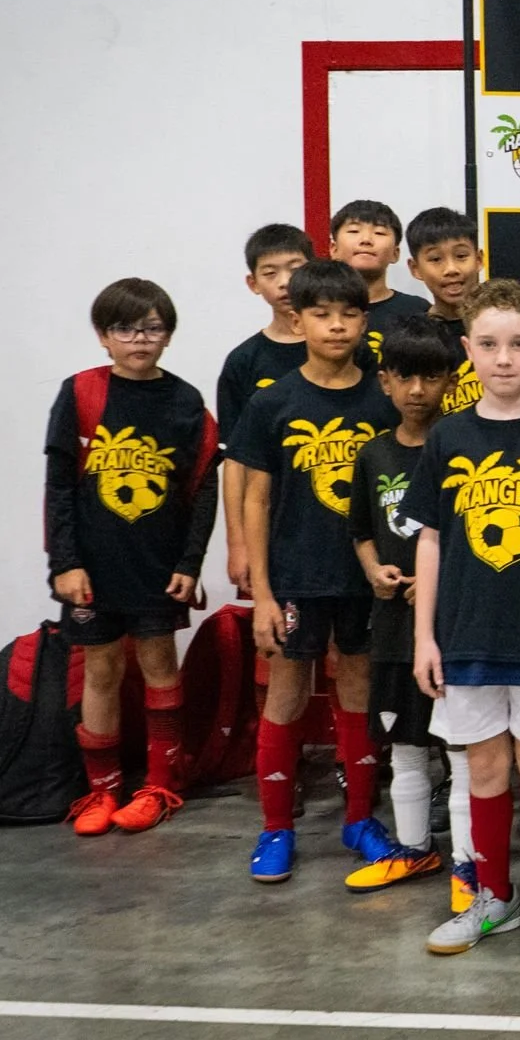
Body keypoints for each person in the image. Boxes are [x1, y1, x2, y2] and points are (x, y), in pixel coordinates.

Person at [400, 280, 520, 960]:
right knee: (481, 766)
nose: (504, 358)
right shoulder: (448, 435)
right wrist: (425, 635)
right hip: (465, 634)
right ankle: (494, 895)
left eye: (518, 344)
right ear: (467, 351)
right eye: (488, 344)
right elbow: (429, 539)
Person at [230, 260, 401, 884]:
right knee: (286, 693)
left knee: (357, 693)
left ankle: (359, 818)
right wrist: (264, 592)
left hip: (365, 576)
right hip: (296, 578)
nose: (337, 326)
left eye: (350, 313)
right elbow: (254, 498)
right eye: (322, 314)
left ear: (365, 319)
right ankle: (276, 827)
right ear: (296, 319)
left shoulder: (383, 399)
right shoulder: (272, 402)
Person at [50, 278, 217, 836]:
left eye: (152, 328)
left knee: (158, 667)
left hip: (158, 565)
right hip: (93, 569)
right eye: (125, 328)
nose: (140, 339)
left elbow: (202, 491)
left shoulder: (186, 400)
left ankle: (160, 785)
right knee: (100, 670)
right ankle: (101, 791)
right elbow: (59, 486)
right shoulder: (80, 394)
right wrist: (64, 564)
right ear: (103, 336)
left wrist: (190, 564)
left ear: (168, 334)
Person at [345, 316, 455, 893]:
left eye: (430, 377)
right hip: (393, 626)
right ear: (385, 381)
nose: (417, 391)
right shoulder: (374, 455)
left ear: (449, 381)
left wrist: (438, 581)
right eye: (404, 377)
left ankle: (470, 863)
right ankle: (415, 850)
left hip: (453, 624)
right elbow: (361, 528)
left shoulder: (462, 445)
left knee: (461, 749)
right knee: (407, 746)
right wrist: (371, 568)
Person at [217, 224, 313, 596]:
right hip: (271, 527)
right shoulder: (244, 362)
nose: (286, 282)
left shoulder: (342, 349)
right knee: (281, 639)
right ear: (253, 283)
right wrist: (237, 543)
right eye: (270, 273)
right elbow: (235, 461)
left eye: (295, 268)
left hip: (336, 520)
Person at [405, 207, 485, 415]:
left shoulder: (503, 327)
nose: (451, 269)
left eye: (460, 256)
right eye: (435, 259)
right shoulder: (412, 338)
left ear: (479, 260)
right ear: (415, 268)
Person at [330, 199, 430, 362]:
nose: (366, 240)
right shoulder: (317, 310)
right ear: (333, 249)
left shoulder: (418, 311)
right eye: (354, 231)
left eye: (379, 233)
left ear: (395, 253)